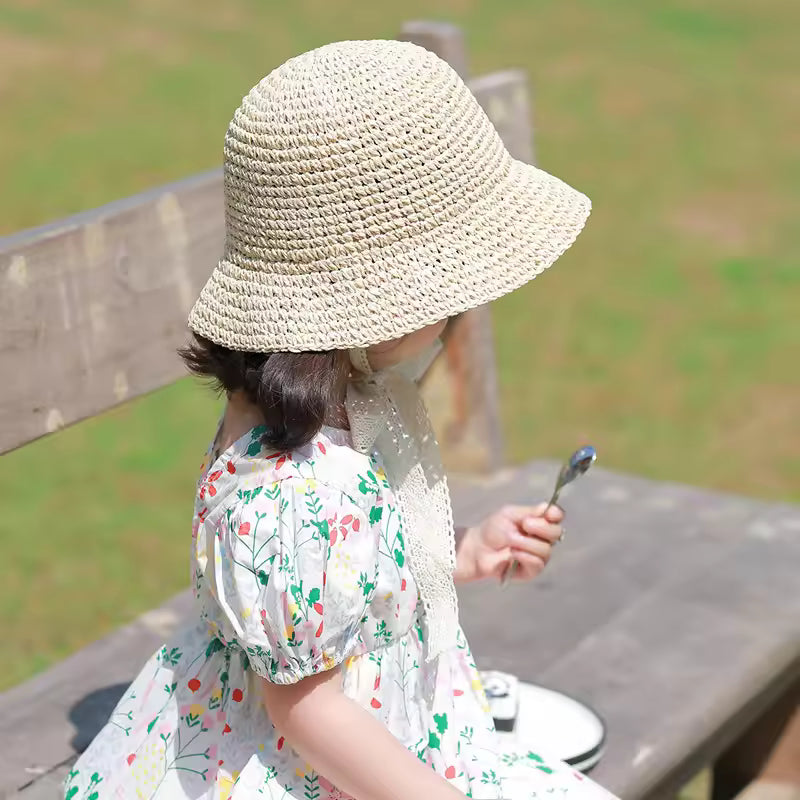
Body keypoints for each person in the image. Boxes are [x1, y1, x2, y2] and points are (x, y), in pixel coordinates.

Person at [65, 39, 619, 800]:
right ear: (373, 304)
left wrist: (458, 553)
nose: (461, 312)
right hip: (312, 768)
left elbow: (343, 577)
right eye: (450, 294)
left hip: (397, 729)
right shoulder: (288, 487)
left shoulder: (345, 403)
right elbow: (304, 708)